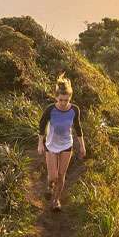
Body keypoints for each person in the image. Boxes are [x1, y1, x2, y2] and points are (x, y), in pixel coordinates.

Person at [37, 73, 86, 211]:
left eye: (66, 100)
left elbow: (78, 128)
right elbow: (42, 125)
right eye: (61, 100)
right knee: (52, 176)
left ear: (70, 98)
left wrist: (82, 146)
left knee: (61, 175)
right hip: (51, 145)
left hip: (66, 145)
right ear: (56, 97)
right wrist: (40, 143)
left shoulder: (74, 110)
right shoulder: (50, 109)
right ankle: (49, 185)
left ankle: (56, 201)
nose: (63, 103)